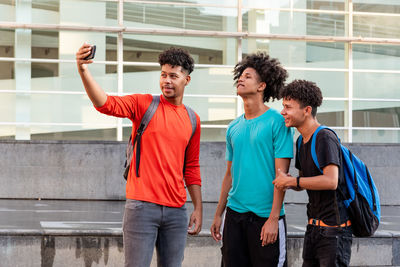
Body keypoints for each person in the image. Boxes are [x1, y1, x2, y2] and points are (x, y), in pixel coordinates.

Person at [76, 44, 202, 267]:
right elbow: (104, 104)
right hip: (142, 207)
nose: (166, 81)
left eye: (173, 76)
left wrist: (198, 209)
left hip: (176, 212)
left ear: (187, 80)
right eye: (163, 75)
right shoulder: (144, 104)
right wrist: (83, 70)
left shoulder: (193, 119)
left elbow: (191, 167)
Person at [210, 53, 293, 267]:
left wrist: (273, 219)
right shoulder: (233, 127)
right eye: (241, 75)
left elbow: (281, 176)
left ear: (261, 86)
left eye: (248, 76)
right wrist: (219, 214)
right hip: (235, 215)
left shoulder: (277, 122)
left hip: (265, 218)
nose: (241, 79)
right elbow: (229, 174)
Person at [274, 79, 352, 267]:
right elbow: (306, 181)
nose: (283, 112)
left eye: (288, 107)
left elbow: (331, 181)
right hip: (313, 229)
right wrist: (289, 181)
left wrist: (294, 182)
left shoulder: (325, 137)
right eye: (283, 106)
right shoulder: (301, 141)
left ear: (306, 110)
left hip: (334, 232)